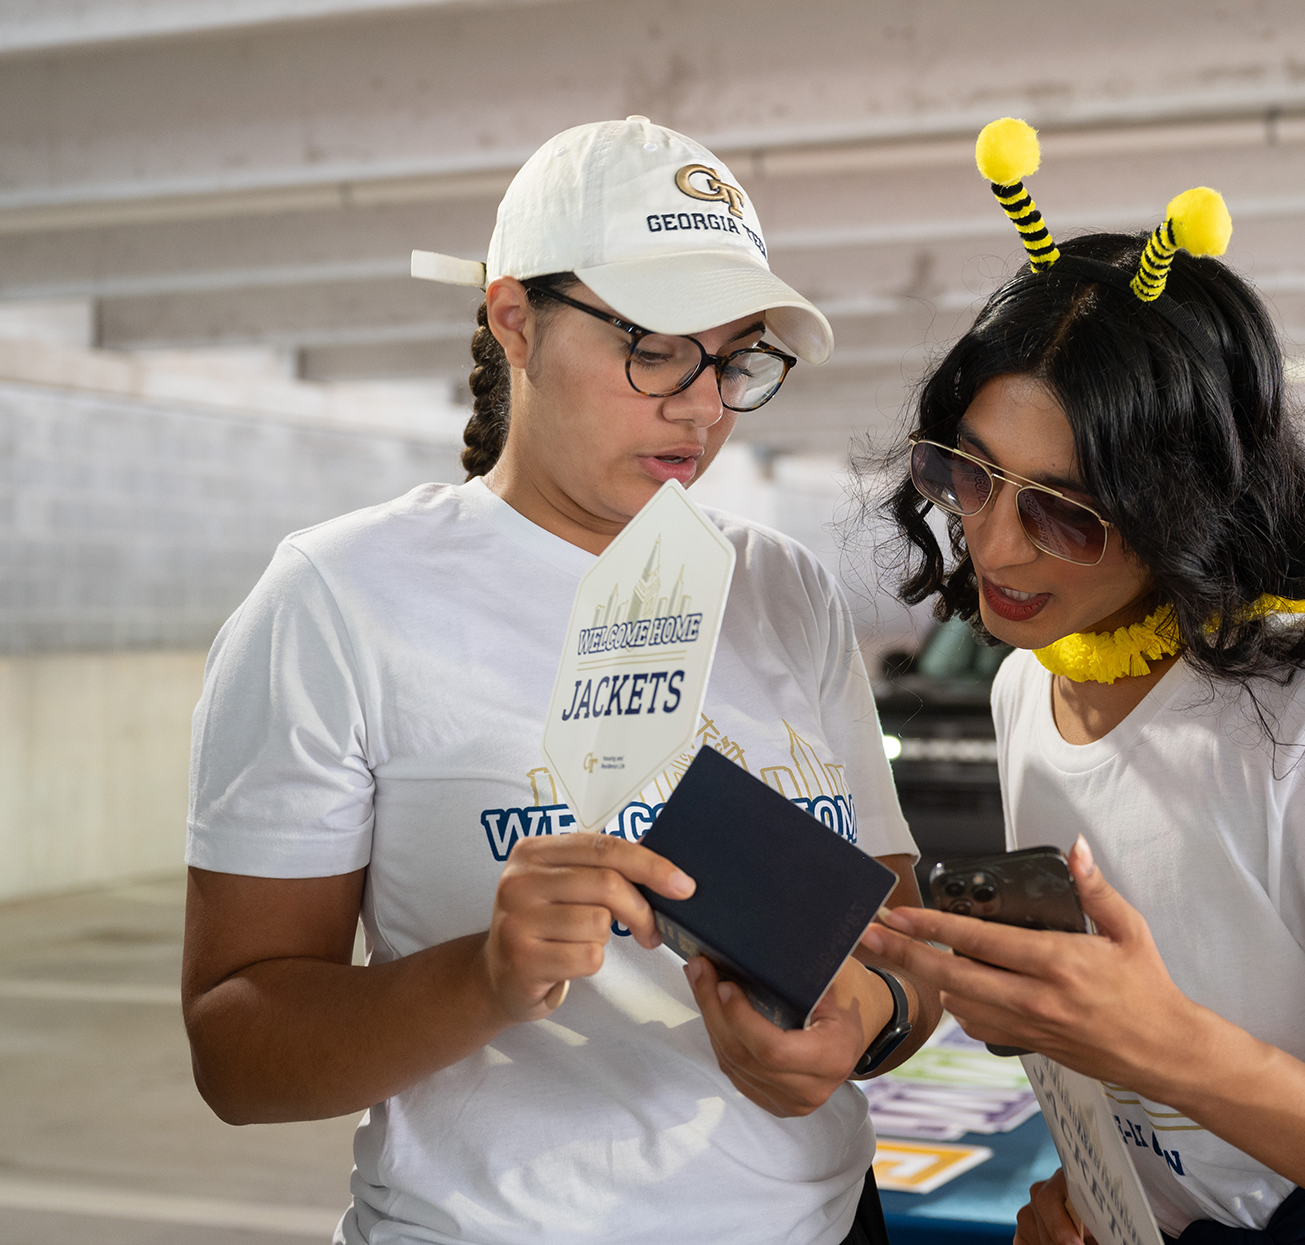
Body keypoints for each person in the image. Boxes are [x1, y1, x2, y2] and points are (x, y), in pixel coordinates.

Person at [181, 118, 939, 1245]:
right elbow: (236, 1046)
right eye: (653, 344)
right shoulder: (340, 601)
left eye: (735, 356)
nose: (701, 405)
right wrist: (481, 978)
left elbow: (897, 928)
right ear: (514, 318)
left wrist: (866, 1019)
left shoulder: (779, 586)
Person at [862, 119, 1305, 1245]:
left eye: (1063, 512)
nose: (993, 548)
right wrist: (1101, 1195)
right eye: (971, 476)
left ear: (1181, 512)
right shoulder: (1025, 691)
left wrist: (1159, 1041)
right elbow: (1154, 1108)